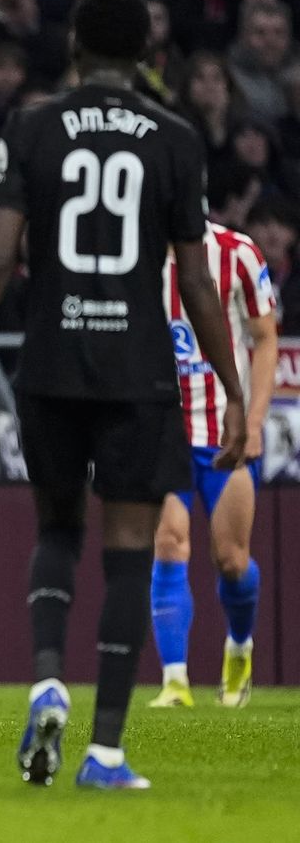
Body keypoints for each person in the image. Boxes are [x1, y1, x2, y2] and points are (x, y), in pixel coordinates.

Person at [0, 0, 246, 790]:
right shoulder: (175, 139)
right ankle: (106, 752)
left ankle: (44, 677)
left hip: (51, 363)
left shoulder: (31, 126)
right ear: (149, 56)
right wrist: (233, 386)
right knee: (131, 552)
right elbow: (200, 284)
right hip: (138, 369)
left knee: (58, 529)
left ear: (74, 45)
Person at [149, 223, 276, 709]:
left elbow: (265, 338)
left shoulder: (236, 252)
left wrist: (256, 419)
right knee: (168, 541)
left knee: (232, 559)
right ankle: (175, 682)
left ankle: (240, 647)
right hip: (163, 429)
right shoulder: (134, 252)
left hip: (227, 431)